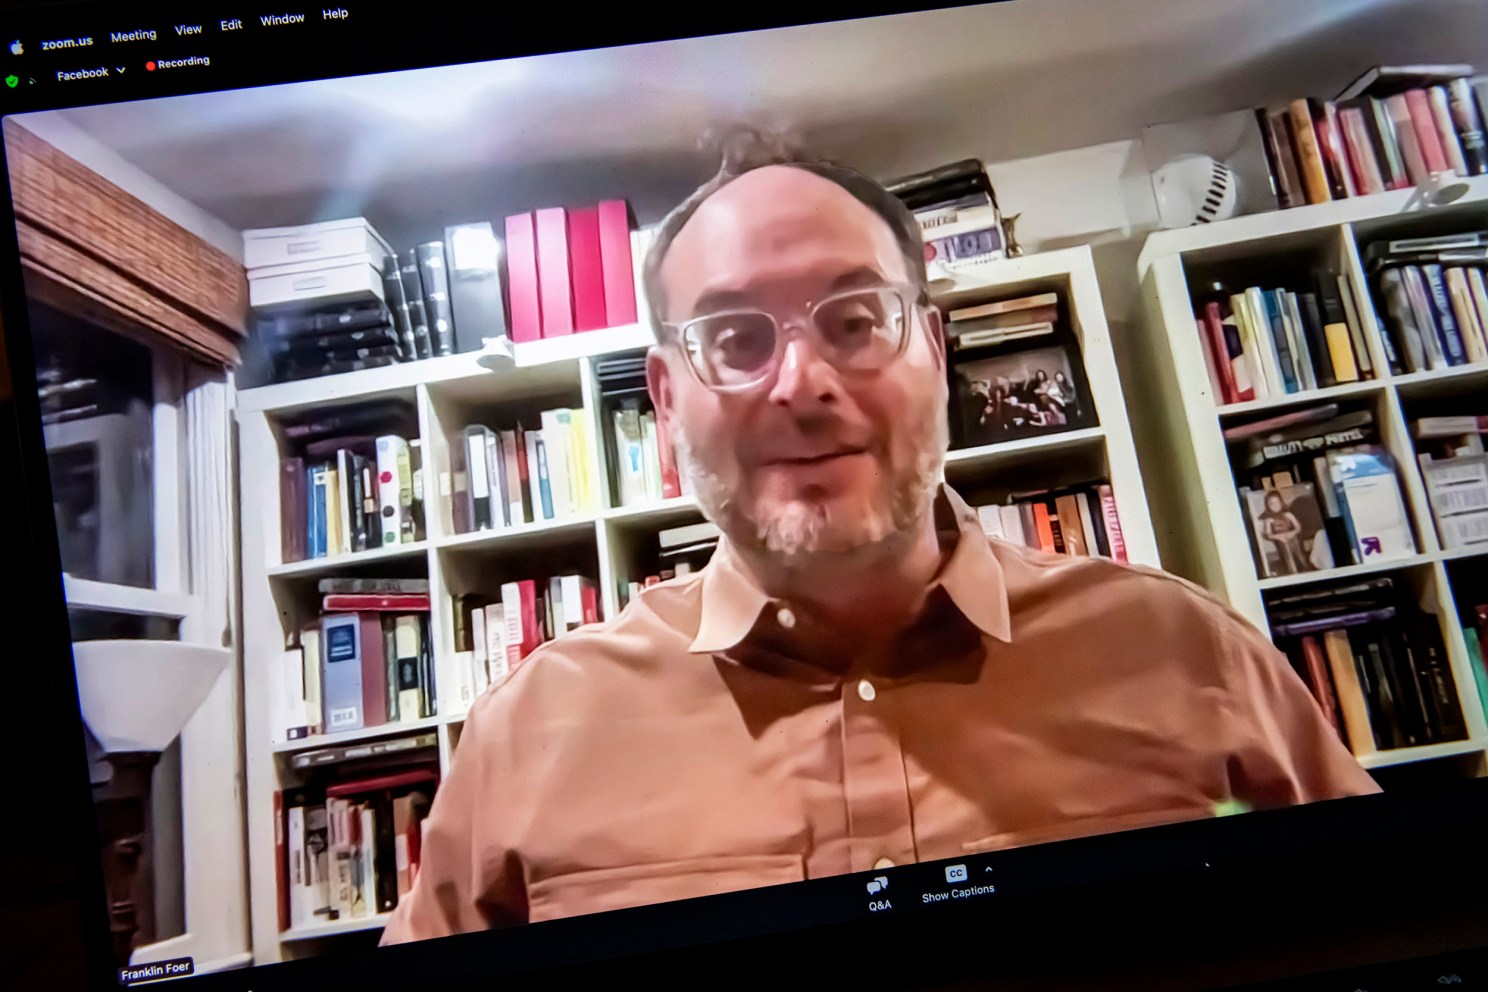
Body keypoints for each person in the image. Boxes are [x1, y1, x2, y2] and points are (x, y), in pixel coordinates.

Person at [380, 133, 1379, 944]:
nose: (801, 381)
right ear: (665, 396)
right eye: (733, 336)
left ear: (937, 354)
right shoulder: (530, 735)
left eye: (856, 320)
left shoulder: (1179, 647)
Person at [1258, 490, 1306, 576]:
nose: (1275, 505)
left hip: (1293, 538)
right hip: (1281, 541)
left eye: (1277, 502)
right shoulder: (1268, 520)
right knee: (1286, 551)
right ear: (1268, 506)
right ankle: (1292, 570)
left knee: (1299, 553)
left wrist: (1292, 533)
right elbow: (1268, 534)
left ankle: (1304, 565)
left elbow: (1298, 527)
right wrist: (1278, 536)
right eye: (1272, 503)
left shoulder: (1288, 514)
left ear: (1281, 502)